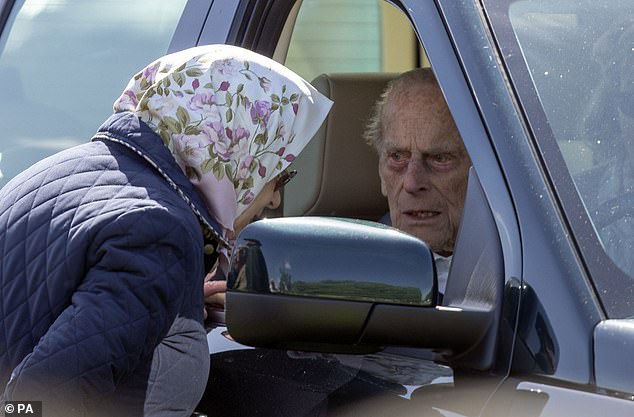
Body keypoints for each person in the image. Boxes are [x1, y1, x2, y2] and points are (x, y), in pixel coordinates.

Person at [0, 44, 331, 416]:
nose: (272, 199)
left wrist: (174, 296)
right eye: (280, 174)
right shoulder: (162, 233)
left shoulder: (57, 171)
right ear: (237, 151)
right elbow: (37, 402)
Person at [364, 68, 471, 294]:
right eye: (397, 157)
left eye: (439, 158)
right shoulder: (356, 274)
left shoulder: (529, 260)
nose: (412, 183)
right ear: (381, 172)